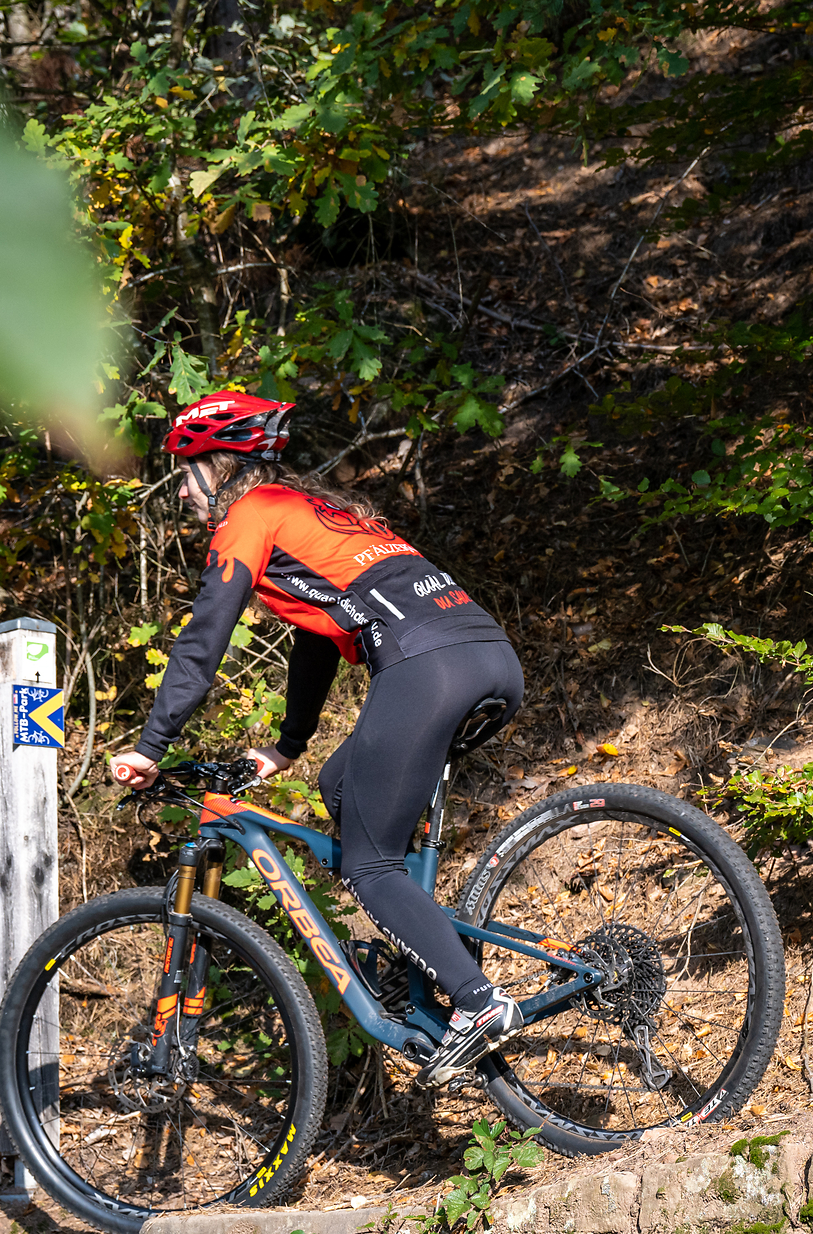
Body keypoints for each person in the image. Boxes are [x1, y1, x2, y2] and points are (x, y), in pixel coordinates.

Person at [108, 392, 529, 1080]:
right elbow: (319, 635)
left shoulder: (251, 514)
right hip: (490, 655)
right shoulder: (320, 512)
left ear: (222, 463)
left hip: (426, 666)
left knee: (369, 865)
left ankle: (477, 1000)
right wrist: (290, 745)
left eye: (187, 471)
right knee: (340, 786)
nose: (182, 489)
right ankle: (419, 951)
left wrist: (151, 745)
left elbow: (203, 639)